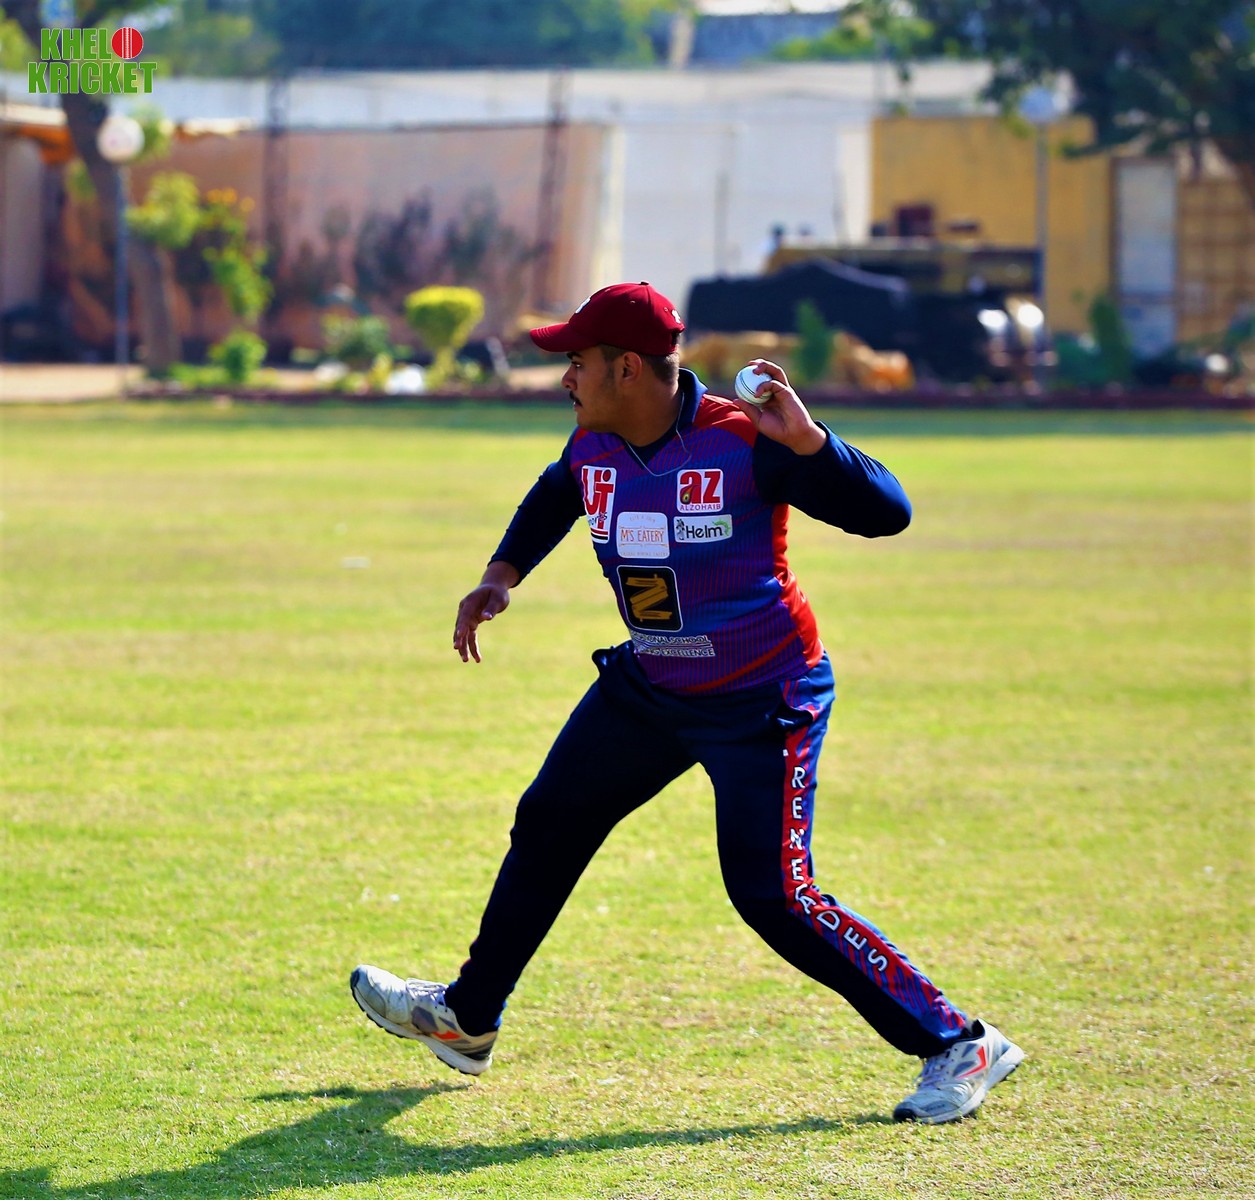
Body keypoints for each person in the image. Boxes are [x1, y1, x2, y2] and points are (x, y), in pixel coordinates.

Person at [350, 281, 1023, 1124]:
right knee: (551, 817)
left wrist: (812, 443)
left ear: (627, 368)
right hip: (653, 685)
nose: (565, 377)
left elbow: (887, 514)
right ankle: (469, 1016)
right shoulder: (593, 441)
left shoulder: (746, 439)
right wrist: (500, 575)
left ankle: (959, 1042)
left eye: (576, 361)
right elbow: (557, 492)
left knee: (772, 895)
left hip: (762, 696)